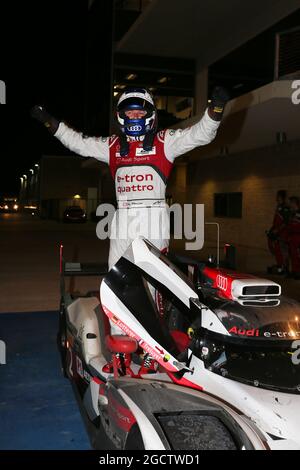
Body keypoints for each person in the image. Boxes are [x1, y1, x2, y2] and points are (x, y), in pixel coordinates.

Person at [31, 86, 229, 373]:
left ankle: (153, 351)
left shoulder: (165, 142)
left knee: (152, 285)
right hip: (123, 218)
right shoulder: (112, 147)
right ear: (121, 116)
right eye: (129, 111)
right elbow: (78, 143)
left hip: (154, 218)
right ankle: (119, 348)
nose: (134, 115)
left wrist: (216, 110)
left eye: (139, 110)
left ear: (149, 114)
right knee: (116, 280)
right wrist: (50, 122)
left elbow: (200, 134)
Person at [267, 190, 290, 274]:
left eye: (278, 196)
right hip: (277, 233)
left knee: (283, 251)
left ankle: (285, 268)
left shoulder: (285, 207)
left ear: (281, 197)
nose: (276, 198)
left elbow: (286, 222)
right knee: (277, 250)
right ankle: (280, 266)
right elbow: (276, 221)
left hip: (283, 234)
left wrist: (278, 230)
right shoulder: (278, 206)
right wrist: (272, 230)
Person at [287, 196, 300, 280]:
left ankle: (298, 272)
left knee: (298, 255)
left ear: (294, 203)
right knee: (293, 255)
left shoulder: (299, 213)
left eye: (291, 202)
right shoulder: (292, 213)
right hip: (292, 236)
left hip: (298, 236)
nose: (290, 204)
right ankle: (294, 271)